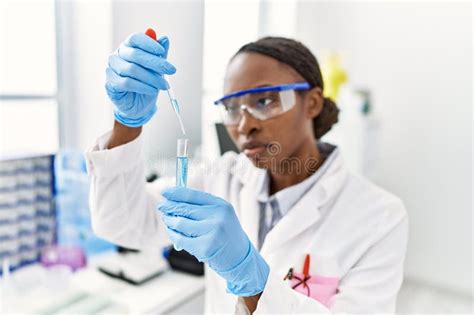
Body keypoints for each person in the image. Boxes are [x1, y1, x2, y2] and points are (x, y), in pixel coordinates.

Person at [85, 32, 408, 314]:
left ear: (311, 103)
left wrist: (251, 279)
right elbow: (122, 223)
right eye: (231, 107)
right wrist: (127, 124)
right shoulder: (221, 176)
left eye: (264, 100)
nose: (244, 125)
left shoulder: (379, 217)